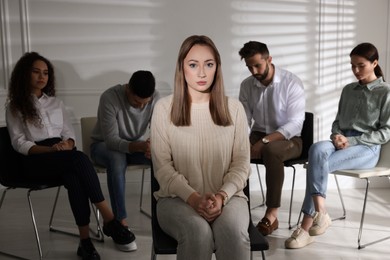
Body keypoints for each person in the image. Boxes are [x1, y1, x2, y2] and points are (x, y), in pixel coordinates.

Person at [5, 52, 135, 260]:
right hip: (33, 160)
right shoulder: (15, 106)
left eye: (46, 73)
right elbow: (19, 143)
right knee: (80, 160)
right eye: (36, 72)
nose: (42, 77)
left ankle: (85, 242)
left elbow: (69, 132)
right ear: (24, 74)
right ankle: (111, 220)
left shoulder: (56, 103)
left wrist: (68, 144)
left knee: (75, 177)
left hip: (62, 155)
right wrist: (49, 150)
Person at [150, 35, 251, 260]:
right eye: (193, 65)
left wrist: (222, 196)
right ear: (181, 68)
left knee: (233, 233)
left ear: (217, 67)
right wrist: (194, 199)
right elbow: (163, 169)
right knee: (198, 232)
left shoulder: (234, 108)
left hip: (229, 198)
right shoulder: (163, 109)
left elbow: (242, 164)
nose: (202, 73)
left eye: (209, 64)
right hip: (175, 199)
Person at [285, 42, 390, 249]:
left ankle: (305, 228)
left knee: (317, 165)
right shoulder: (348, 90)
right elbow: (337, 122)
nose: (356, 71)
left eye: (361, 65)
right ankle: (321, 212)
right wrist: (337, 136)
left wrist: (351, 141)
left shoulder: (385, 92)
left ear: (374, 63)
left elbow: (386, 132)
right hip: (341, 141)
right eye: (352, 66)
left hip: (366, 148)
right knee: (316, 149)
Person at [238, 41, 306, 236]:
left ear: (269, 59)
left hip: (290, 139)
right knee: (230, 148)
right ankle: (235, 207)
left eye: (257, 65)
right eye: (249, 66)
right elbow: (244, 120)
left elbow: (295, 124)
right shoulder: (247, 85)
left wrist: (264, 141)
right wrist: (243, 142)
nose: (253, 71)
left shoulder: (291, 83)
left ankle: (272, 214)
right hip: (258, 134)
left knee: (271, 150)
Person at [90, 70, 160, 241]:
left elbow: (160, 129)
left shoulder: (155, 97)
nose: (142, 107)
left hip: (135, 146)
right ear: (128, 89)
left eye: (146, 103)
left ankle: (162, 216)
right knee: (117, 157)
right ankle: (119, 222)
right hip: (102, 147)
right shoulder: (110, 97)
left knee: (161, 159)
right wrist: (140, 146)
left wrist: (153, 145)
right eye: (137, 102)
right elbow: (112, 141)